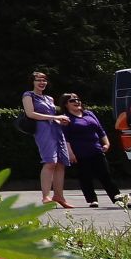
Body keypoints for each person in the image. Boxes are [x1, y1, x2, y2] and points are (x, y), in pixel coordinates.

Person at [59, 93, 124, 208]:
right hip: (80, 152)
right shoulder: (66, 118)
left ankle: (118, 199)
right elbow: (66, 138)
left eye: (78, 99)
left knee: (105, 175)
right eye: (72, 100)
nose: (76, 102)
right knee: (85, 177)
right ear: (66, 104)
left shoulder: (89, 114)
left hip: (96, 150)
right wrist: (70, 153)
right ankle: (92, 200)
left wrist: (107, 143)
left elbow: (100, 130)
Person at [22, 70, 73, 207]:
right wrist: (55, 117)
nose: (42, 82)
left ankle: (59, 196)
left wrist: (60, 120)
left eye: (44, 80)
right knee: (50, 161)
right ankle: (46, 196)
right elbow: (31, 114)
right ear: (32, 82)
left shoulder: (49, 98)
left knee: (61, 163)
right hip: (43, 130)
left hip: (56, 129)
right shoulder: (28, 95)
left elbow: (52, 116)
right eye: (38, 80)